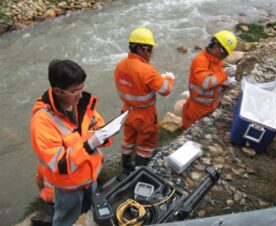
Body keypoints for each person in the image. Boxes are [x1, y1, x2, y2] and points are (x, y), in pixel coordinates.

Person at [30, 59, 113, 226]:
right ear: (58, 91)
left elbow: (95, 125)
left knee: (88, 213)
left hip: (90, 180)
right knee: (65, 221)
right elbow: (60, 163)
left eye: (82, 88)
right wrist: (90, 145)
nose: (81, 95)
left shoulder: (80, 104)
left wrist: (104, 135)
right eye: (75, 91)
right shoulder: (42, 121)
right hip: (68, 190)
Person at [114, 27, 175, 172]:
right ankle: (139, 171)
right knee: (146, 144)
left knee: (128, 140)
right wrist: (169, 78)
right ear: (142, 49)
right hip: (145, 115)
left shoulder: (120, 65)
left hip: (127, 111)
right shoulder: (147, 70)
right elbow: (166, 90)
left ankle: (126, 167)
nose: (151, 53)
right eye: (150, 49)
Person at [182, 30, 238, 130]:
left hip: (212, 105)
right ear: (216, 47)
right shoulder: (200, 61)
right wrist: (226, 73)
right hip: (198, 109)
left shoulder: (216, 60)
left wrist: (226, 83)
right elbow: (206, 83)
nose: (225, 57)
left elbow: (216, 79)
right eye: (224, 53)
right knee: (191, 132)